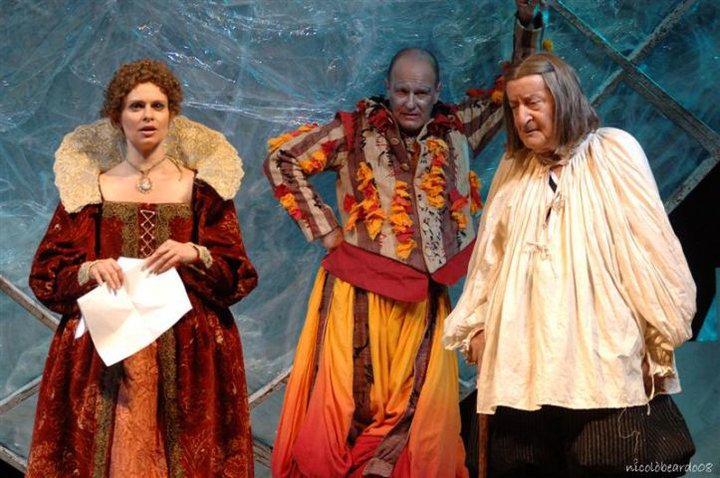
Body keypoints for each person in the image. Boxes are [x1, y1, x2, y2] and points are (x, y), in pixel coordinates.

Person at [264, 2, 544, 477]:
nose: (411, 102)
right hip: (357, 293)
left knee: (416, 416)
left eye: (421, 92)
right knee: (346, 408)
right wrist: (326, 229)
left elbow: (512, 92)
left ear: (437, 92)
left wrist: (527, 26)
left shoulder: (457, 129)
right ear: (388, 88)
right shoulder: (353, 131)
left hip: (425, 299)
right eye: (402, 91)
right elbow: (283, 159)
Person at [443, 52, 696, 477]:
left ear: (563, 99)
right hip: (521, 359)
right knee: (522, 463)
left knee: (607, 461)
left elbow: (653, 246)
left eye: (533, 103)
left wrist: (659, 332)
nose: (522, 118)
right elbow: (491, 258)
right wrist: (478, 324)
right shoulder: (514, 169)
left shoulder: (613, 152)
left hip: (599, 355)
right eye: (514, 106)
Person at [27, 59, 258, 477]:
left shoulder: (200, 188)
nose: (148, 115)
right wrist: (90, 268)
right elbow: (48, 273)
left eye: (158, 105)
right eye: (136, 106)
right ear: (117, 116)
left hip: (189, 345)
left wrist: (195, 253)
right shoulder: (93, 186)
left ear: (172, 114)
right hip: (108, 341)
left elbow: (237, 273)